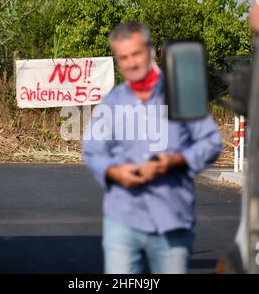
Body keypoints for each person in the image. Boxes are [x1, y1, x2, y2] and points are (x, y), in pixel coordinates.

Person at [83, 21, 222, 274]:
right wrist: (115, 173)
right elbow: (92, 151)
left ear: (149, 50)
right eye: (123, 57)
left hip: (171, 219)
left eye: (135, 54)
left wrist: (177, 160)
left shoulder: (182, 94)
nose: (131, 63)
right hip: (123, 219)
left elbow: (211, 142)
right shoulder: (111, 103)